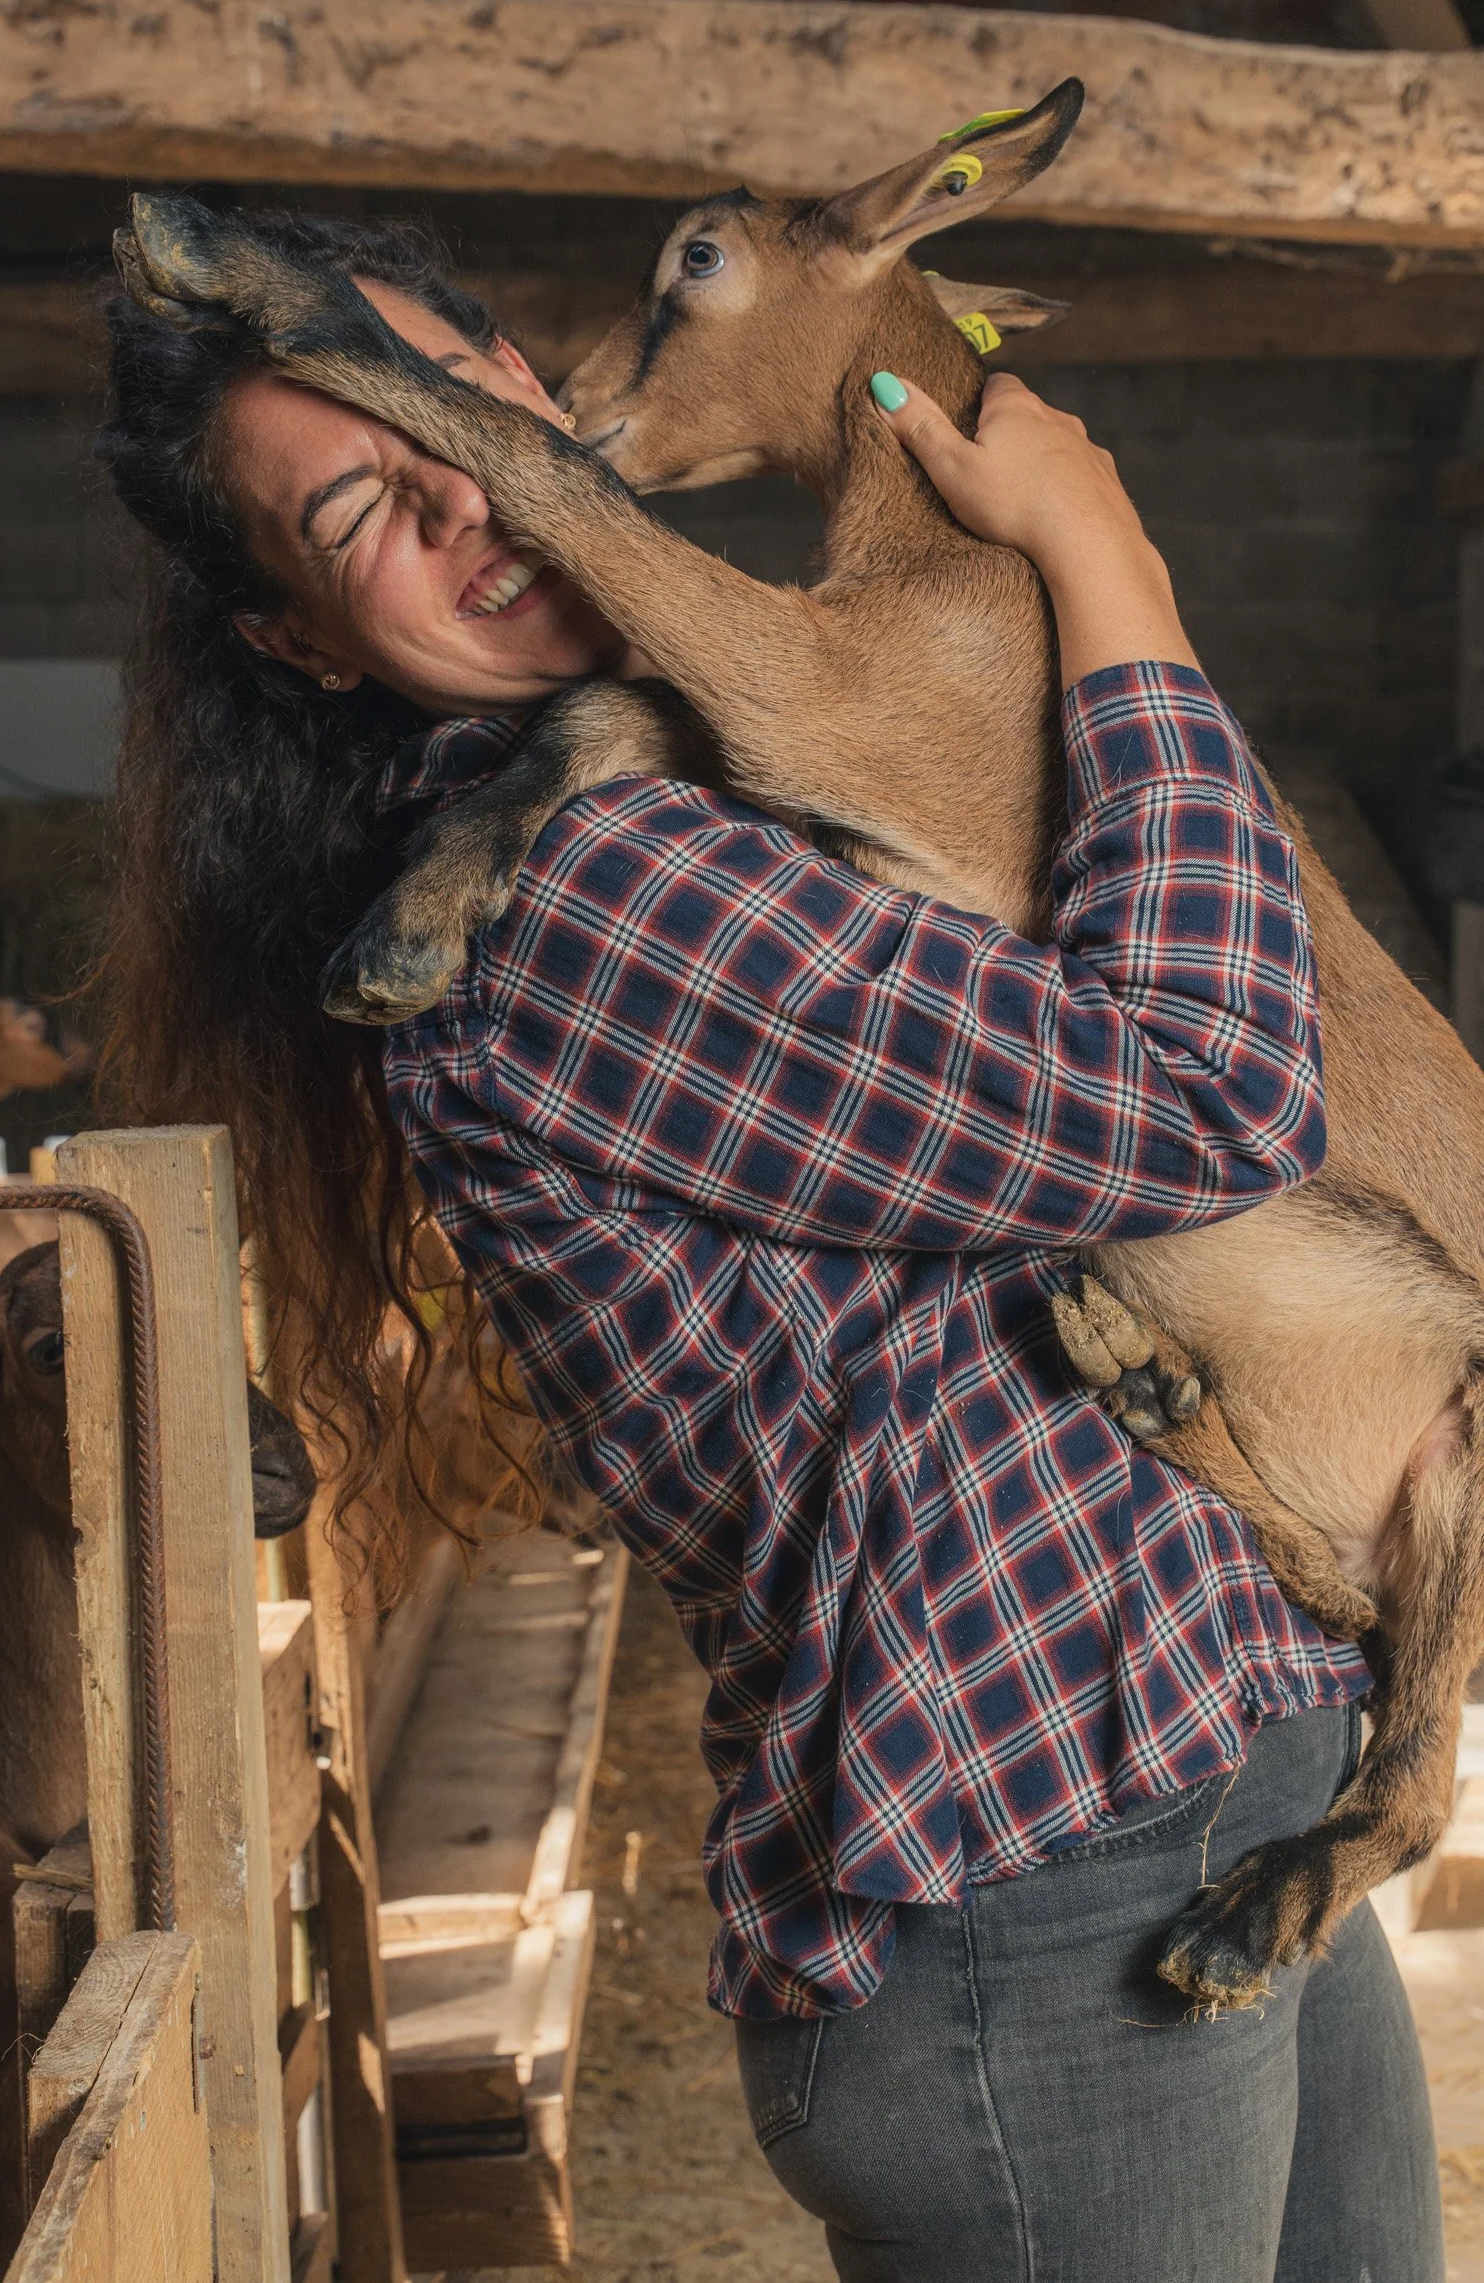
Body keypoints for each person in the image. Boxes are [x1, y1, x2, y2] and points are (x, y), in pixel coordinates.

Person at [99, 208, 1443, 2283]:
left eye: (461, 419)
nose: (468, 512)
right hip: (1032, 1886)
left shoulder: (698, 766)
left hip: (1222, 1784)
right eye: (369, 501)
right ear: (299, 637)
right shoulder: (579, 903)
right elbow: (1201, 1096)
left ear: (530, 394)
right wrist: (1110, 566)